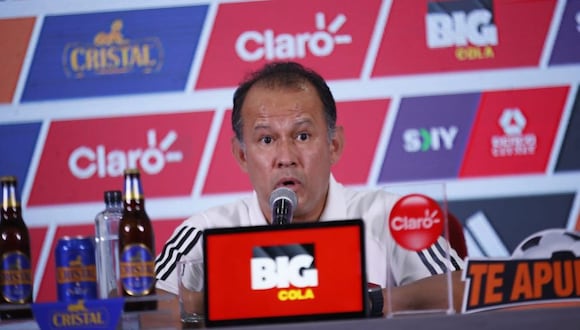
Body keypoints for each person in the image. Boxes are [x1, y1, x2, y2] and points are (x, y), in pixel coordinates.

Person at [153, 61, 465, 320]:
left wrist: (370, 302)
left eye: (302, 136)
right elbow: (132, 305)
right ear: (242, 155)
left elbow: (467, 288)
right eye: (266, 140)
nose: (286, 157)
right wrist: (217, 302)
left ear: (333, 145)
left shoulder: (389, 216)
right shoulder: (205, 230)